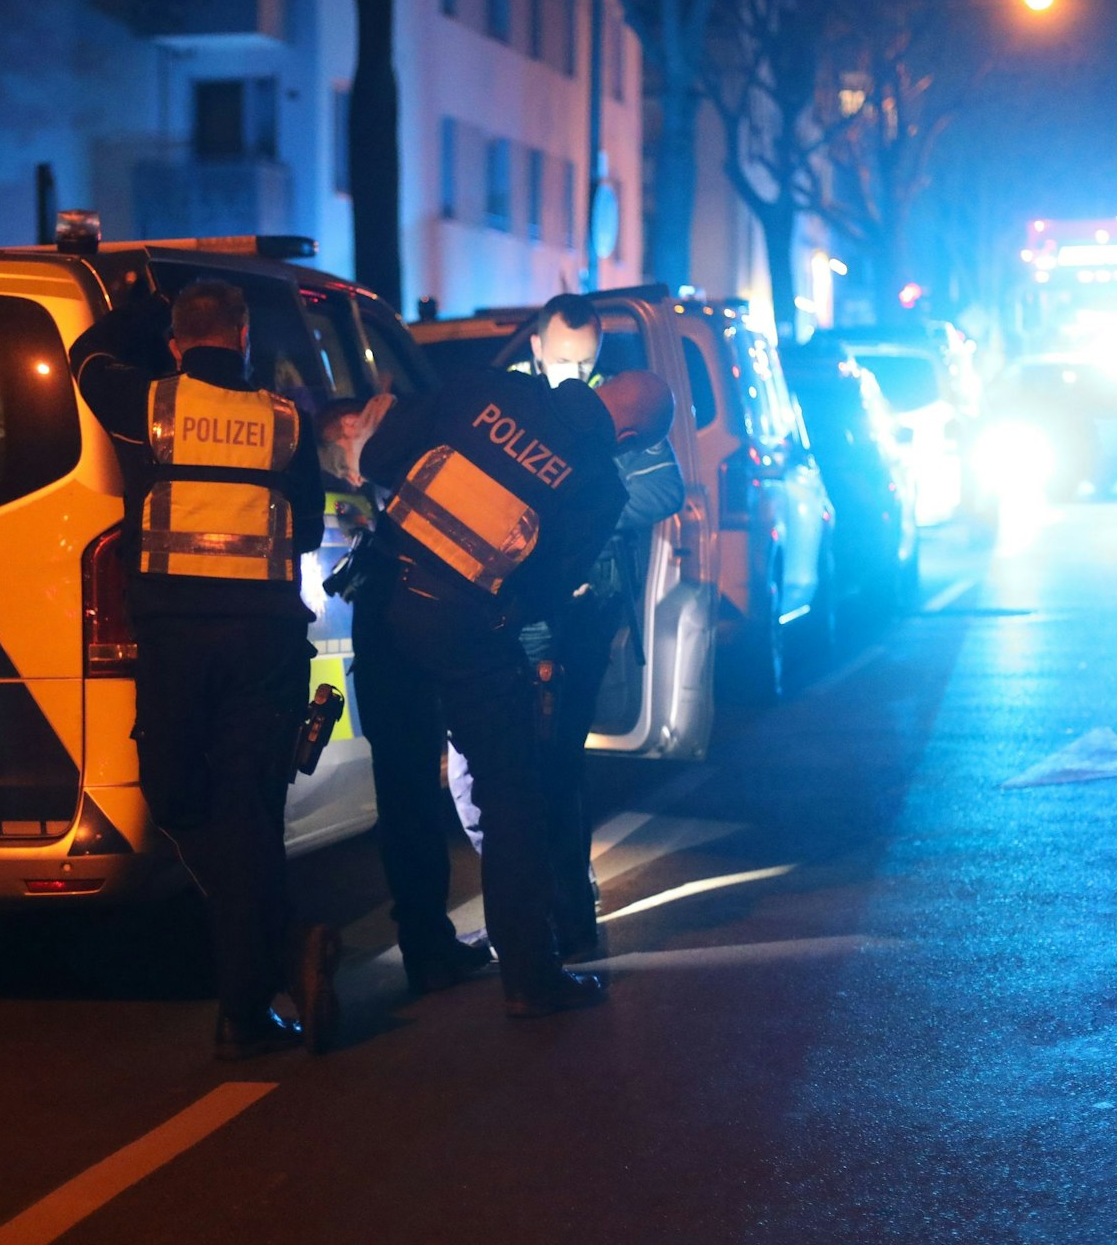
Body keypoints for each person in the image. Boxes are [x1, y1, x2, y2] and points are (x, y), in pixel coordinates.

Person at [344, 359, 676, 1014]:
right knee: (511, 789)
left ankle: (428, 953)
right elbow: (548, 589)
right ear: (632, 438)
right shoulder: (598, 489)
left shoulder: (486, 387)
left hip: (381, 601)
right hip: (463, 625)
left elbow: (380, 458)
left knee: (404, 783)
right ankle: (529, 974)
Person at [71, 280, 341, 1057]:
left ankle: (252, 1000)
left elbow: (86, 356)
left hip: (177, 642)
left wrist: (143, 304)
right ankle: (269, 974)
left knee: (179, 800)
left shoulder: (149, 404)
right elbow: (309, 529)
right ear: (246, 335)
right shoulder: (287, 421)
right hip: (264, 642)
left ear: (176, 343)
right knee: (249, 813)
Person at [449, 296, 685, 957]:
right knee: (485, 777)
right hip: (508, 613)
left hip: (571, 616)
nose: (572, 374)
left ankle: (554, 916)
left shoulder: (615, 412)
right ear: (534, 349)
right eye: (561, 360)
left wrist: (574, 505)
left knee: (541, 772)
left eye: (585, 362)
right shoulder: (515, 405)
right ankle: (542, 909)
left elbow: (664, 490)